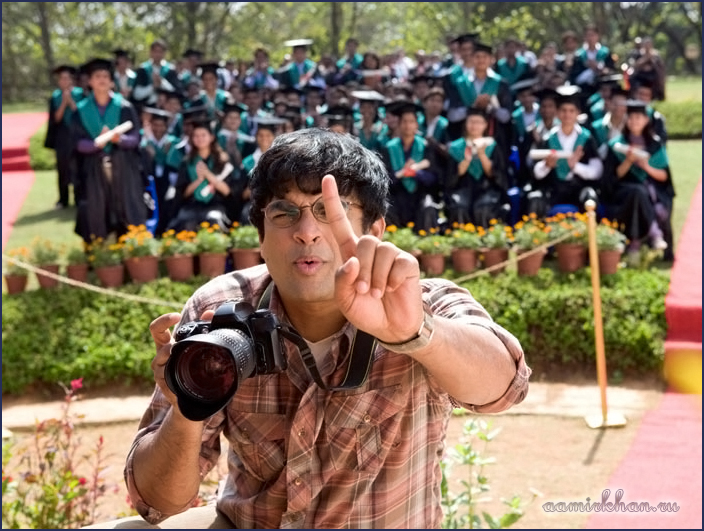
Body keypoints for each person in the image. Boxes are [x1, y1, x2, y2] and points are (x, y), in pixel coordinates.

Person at [115, 127, 529, 529]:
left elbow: (506, 387)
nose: (307, 233)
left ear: (374, 232)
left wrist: (417, 334)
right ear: (260, 236)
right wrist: (188, 409)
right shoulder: (218, 311)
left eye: (330, 212)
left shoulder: (417, 301)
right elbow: (156, 502)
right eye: (285, 213)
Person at [72, 57, 146, 242]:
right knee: (98, 209)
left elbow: (136, 138)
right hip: (94, 168)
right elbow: (76, 142)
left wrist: (119, 139)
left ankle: (134, 246)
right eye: (97, 76)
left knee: (127, 206)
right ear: (90, 81)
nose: (102, 80)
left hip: (123, 166)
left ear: (112, 82)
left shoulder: (125, 107)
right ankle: (100, 247)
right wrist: (96, 144)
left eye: (106, 76)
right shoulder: (80, 111)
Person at [603, 100, 674, 260]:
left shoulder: (655, 144)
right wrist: (628, 161)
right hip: (623, 189)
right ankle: (654, 234)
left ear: (646, 120)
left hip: (652, 188)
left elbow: (664, 176)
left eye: (638, 118)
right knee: (636, 192)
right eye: (631, 117)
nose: (634, 121)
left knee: (639, 194)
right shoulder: (617, 144)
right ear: (626, 120)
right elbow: (614, 176)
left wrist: (646, 167)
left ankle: (634, 244)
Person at [528, 85, 603, 217]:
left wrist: (576, 166)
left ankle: (591, 230)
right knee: (535, 199)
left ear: (578, 113)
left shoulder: (586, 138)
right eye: (563, 110)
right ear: (557, 113)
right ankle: (536, 230)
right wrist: (547, 165)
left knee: (590, 198)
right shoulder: (548, 139)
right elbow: (536, 173)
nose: (567, 115)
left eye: (571, 111)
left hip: (578, 187)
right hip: (553, 188)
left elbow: (597, 171)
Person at [166, 119, 237, 233]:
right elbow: (183, 193)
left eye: (203, 135)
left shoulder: (222, 161)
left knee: (213, 220)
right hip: (192, 205)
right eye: (196, 136)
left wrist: (208, 175)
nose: (200, 139)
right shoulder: (187, 162)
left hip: (216, 204)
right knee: (187, 222)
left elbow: (228, 192)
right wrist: (199, 180)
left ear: (211, 137)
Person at [381, 101, 442, 232]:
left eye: (411, 121)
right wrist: (402, 173)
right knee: (385, 208)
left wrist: (416, 173)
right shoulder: (389, 148)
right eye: (404, 121)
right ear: (399, 124)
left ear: (416, 124)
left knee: (428, 207)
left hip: (420, 194)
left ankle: (425, 241)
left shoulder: (425, 147)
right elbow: (385, 180)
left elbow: (434, 179)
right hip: (398, 195)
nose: (408, 125)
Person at [445, 108, 510, 227]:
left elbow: (495, 174)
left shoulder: (492, 145)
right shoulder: (455, 147)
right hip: (463, 187)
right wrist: (466, 161)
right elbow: (451, 177)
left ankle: (486, 238)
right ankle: (462, 237)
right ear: (465, 123)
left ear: (485, 125)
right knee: (459, 206)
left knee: (484, 207)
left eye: (478, 122)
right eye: (471, 122)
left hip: (486, 188)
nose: (474, 126)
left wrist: (482, 155)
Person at [45, 64, 85, 209]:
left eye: (67, 78)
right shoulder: (55, 96)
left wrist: (71, 102)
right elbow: (56, 118)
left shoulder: (81, 94)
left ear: (72, 80)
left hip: (77, 134)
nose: (64, 81)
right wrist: (63, 102)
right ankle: (63, 199)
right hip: (62, 135)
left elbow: (82, 115)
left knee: (78, 166)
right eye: (62, 78)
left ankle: (79, 197)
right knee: (62, 167)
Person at [132, 39, 182, 112]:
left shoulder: (171, 70)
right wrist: (153, 86)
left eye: (160, 52)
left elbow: (177, 92)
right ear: (150, 52)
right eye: (155, 51)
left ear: (164, 53)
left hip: (166, 110)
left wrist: (162, 83)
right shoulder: (142, 70)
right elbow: (136, 95)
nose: (158, 54)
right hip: (146, 109)